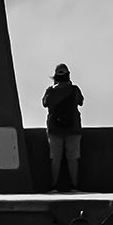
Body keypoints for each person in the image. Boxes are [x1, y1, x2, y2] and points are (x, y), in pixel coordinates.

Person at [42, 63, 84, 191]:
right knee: (73, 159)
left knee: (55, 159)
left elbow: (45, 103)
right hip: (73, 129)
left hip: (55, 130)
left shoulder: (50, 91)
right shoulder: (74, 90)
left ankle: (54, 186)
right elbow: (80, 101)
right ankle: (74, 186)